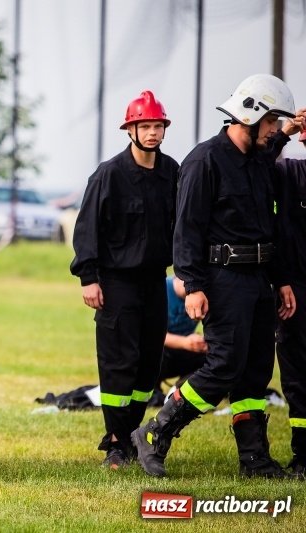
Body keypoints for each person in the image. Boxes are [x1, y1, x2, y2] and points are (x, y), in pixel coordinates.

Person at [132, 74, 303, 479]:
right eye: (272, 123)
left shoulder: (259, 159)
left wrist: (280, 280)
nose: (275, 131)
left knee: (256, 370)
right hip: (222, 279)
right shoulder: (204, 161)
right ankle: (155, 432)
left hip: (261, 280)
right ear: (250, 116)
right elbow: (186, 228)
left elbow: (269, 226)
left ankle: (255, 459)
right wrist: (192, 285)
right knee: (224, 365)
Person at [70, 91, 179, 470]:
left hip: (155, 283)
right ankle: (116, 442)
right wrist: (89, 277)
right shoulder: (109, 174)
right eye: (145, 126)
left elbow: (182, 227)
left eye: (157, 126)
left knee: (148, 365)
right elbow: (87, 230)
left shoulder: (172, 173)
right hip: (115, 284)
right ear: (130, 129)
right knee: (119, 363)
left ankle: (132, 435)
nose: (152, 133)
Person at [272, 126, 306, 478]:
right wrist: (283, 131)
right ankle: (303, 454)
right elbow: (252, 165)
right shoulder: (290, 173)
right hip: (296, 288)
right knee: (297, 371)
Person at [149, 275, 208, 406]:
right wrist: (185, 342)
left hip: (184, 350)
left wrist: (202, 343)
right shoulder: (160, 289)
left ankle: (181, 391)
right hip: (159, 350)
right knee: (150, 350)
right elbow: (148, 333)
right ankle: (152, 392)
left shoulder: (203, 294)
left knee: (212, 356)